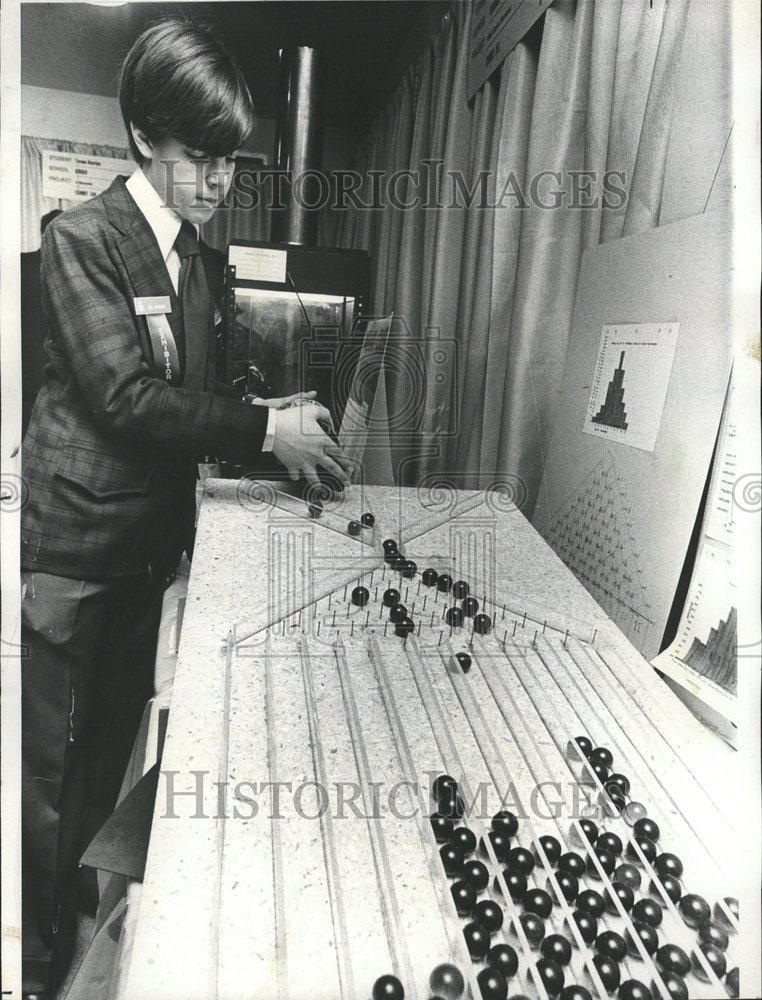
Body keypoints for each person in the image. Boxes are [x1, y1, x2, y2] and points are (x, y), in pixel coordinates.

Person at [20, 18, 351, 996]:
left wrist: (280, 413)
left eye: (229, 163)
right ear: (140, 140)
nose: (217, 181)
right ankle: (36, 967)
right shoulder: (81, 241)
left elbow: (222, 384)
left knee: (102, 759)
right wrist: (261, 431)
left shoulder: (204, 261)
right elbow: (126, 399)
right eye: (199, 158)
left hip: (144, 555)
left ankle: (76, 927)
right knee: (45, 777)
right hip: (72, 553)